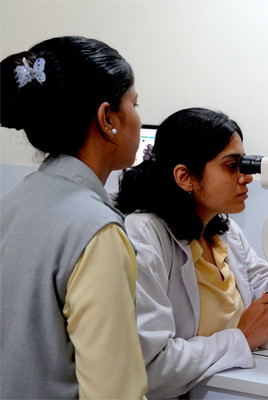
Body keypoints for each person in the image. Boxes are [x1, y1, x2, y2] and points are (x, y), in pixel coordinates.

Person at [114, 107, 268, 398]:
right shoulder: (144, 234)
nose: (246, 177)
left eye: (245, 165)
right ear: (185, 176)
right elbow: (152, 366)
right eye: (231, 166)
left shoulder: (221, 230)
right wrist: (241, 338)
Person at [0, 36, 147, 398]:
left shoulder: (13, 203)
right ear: (108, 119)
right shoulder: (96, 232)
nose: (140, 118)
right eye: (135, 103)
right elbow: (114, 392)